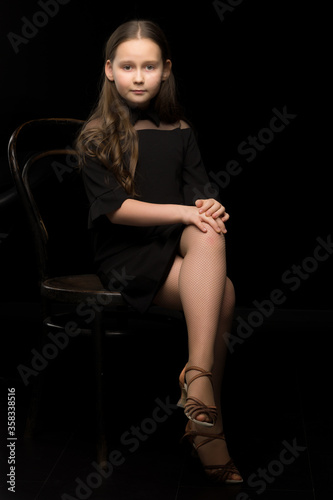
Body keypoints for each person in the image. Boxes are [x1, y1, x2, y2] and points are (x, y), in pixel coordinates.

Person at [76, 19, 243, 484]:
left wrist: (205, 204)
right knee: (224, 295)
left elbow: (197, 191)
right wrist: (186, 213)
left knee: (208, 227)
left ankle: (197, 383)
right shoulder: (96, 133)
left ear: (165, 70)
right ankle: (208, 421)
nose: (138, 76)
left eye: (149, 66)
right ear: (110, 70)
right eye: (128, 66)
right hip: (126, 257)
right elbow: (116, 210)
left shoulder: (180, 127)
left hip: (176, 244)